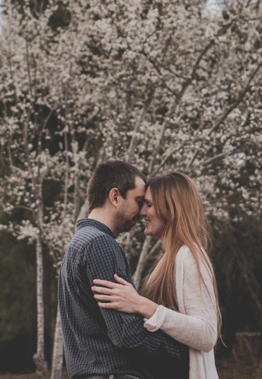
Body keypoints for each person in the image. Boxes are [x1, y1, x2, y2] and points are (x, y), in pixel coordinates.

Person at [58, 160, 188, 379]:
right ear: (115, 196)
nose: (142, 211)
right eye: (139, 201)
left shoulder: (78, 243)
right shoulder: (100, 244)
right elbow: (126, 333)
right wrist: (182, 350)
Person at [92, 171, 220, 379]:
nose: (142, 212)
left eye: (149, 205)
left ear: (171, 209)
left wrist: (142, 305)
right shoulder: (166, 261)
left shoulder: (190, 257)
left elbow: (206, 334)